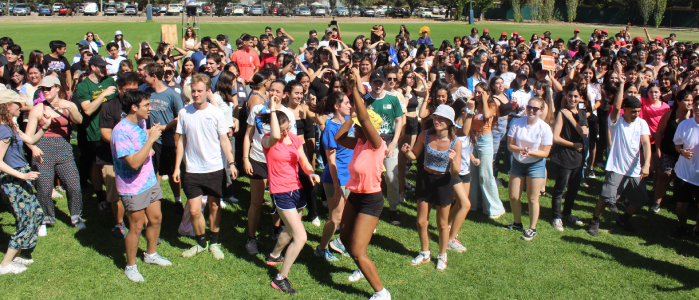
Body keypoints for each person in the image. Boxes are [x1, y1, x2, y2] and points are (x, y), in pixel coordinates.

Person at [336, 83, 391, 300]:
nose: (356, 129)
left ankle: (381, 293)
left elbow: (366, 120)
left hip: (371, 200)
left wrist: (357, 92)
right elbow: (339, 138)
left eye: (358, 126)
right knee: (345, 237)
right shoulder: (358, 142)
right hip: (355, 196)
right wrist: (351, 117)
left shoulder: (376, 144)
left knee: (358, 250)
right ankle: (362, 267)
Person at [173, 74, 237, 259]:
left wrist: (231, 163)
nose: (196, 94)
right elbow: (181, 142)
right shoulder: (184, 112)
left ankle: (214, 242)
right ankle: (201, 242)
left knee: (215, 206)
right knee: (194, 210)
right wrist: (177, 167)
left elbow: (224, 140)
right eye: (193, 91)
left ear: (207, 91)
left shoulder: (215, 112)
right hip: (192, 169)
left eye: (200, 91)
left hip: (214, 168)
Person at [261, 94, 320, 295]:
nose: (285, 133)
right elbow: (276, 136)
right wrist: (271, 108)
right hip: (281, 191)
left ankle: (274, 255)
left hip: (297, 190)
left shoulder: (293, 138)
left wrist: (311, 172)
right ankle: (280, 278)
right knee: (301, 237)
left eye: (287, 128)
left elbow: (303, 159)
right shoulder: (268, 141)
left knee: (289, 229)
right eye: (282, 129)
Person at [111, 90, 172, 282]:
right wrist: (152, 141)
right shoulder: (120, 132)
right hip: (132, 187)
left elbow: (142, 145)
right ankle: (130, 266)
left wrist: (149, 143)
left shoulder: (141, 122)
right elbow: (134, 163)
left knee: (156, 218)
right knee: (136, 226)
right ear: (134, 107)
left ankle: (151, 255)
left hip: (149, 181)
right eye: (146, 105)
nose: (150, 108)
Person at [588, 77, 651, 236]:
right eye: (633, 111)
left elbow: (646, 144)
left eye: (638, 111)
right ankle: (595, 220)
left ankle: (624, 218)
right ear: (625, 109)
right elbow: (616, 106)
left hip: (635, 169)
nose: (636, 114)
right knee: (605, 197)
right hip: (616, 167)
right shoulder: (615, 121)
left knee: (641, 199)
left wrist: (647, 164)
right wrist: (622, 84)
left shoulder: (642, 123)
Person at [402, 104, 462, 270]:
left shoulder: (455, 142)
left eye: (441, 119)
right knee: (421, 222)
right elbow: (414, 155)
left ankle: (442, 255)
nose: (437, 121)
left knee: (442, 224)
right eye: (436, 117)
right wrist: (407, 152)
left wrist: (452, 160)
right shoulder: (425, 134)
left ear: (449, 122)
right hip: (425, 179)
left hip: (443, 182)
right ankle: (425, 253)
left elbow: (456, 172)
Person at [0, 89, 52, 276]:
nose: (21, 106)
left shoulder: (10, 125)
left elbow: (30, 140)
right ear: (7, 107)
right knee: (27, 218)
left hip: (21, 174)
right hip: (13, 179)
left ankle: (17, 255)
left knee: (36, 214)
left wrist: (44, 127)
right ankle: (5, 264)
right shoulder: (3, 130)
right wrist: (22, 176)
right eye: (17, 104)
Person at [243, 77, 296, 255]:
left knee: (277, 202)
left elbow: (292, 142)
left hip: (278, 164)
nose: (273, 94)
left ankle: (276, 230)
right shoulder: (258, 110)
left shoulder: (288, 114)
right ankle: (251, 238)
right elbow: (248, 135)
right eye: (271, 90)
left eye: (278, 91)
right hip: (258, 159)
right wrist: (244, 158)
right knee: (256, 202)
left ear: (285, 94)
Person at [25, 75, 83, 235]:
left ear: (58, 88)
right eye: (43, 89)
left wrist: (70, 106)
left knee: (73, 184)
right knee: (43, 187)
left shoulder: (67, 105)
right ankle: (45, 218)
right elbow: (28, 135)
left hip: (64, 147)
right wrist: (33, 148)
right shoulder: (38, 108)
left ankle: (76, 217)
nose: (46, 91)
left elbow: (79, 121)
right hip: (43, 148)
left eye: (49, 88)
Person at [502, 97, 553, 241]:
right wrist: (521, 150)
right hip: (518, 162)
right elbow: (510, 145)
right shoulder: (517, 122)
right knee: (513, 196)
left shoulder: (545, 128)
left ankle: (532, 228)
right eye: (529, 107)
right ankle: (517, 223)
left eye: (535, 109)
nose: (531, 110)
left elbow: (545, 152)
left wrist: (530, 152)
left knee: (532, 198)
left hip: (535, 164)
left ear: (541, 111)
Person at [75, 55, 118, 213]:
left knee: (112, 164)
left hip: (113, 132)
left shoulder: (109, 81)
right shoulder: (83, 86)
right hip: (95, 133)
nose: (105, 69)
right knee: (97, 165)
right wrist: (103, 95)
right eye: (101, 66)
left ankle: (114, 194)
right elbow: (87, 110)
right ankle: (100, 196)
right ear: (93, 67)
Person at [99, 72, 140, 237]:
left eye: (135, 89)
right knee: (115, 194)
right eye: (128, 90)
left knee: (137, 191)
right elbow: (105, 133)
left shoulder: (139, 105)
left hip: (136, 157)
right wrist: (127, 146)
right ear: (119, 89)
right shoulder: (109, 106)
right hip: (111, 157)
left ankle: (137, 224)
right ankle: (119, 223)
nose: (132, 94)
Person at [313, 91, 352, 261]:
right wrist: (337, 186)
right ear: (337, 107)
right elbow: (331, 160)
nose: (350, 106)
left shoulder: (349, 125)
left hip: (349, 177)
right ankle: (321, 248)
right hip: (335, 179)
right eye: (346, 103)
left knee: (347, 216)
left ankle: (341, 243)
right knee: (335, 218)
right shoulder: (331, 128)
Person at [142, 63, 184, 210]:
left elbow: (180, 117)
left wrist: (164, 127)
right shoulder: (144, 91)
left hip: (167, 140)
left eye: (145, 75)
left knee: (172, 172)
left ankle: (178, 200)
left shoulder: (172, 95)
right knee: (153, 172)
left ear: (154, 77)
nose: (143, 77)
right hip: (150, 141)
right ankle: (153, 200)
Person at [364, 70, 404, 225]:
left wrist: (394, 142)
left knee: (391, 177)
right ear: (370, 83)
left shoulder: (393, 99)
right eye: (375, 82)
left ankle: (393, 209)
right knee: (373, 178)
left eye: (380, 83)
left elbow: (399, 120)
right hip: (372, 143)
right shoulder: (365, 100)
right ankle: (372, 209)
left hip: (389, 141)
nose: (378, 86)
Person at [549, 84, 588, 231]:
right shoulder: (561, 113)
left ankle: (567, 213)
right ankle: (556, 216)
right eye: (570, 95)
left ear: (580, 98)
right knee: (560, 188)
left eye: (576, 96)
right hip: (564, 155)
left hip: (578, 156)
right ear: (566, 96)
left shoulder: (582, 113)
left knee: (574, 188)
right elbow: (555, 137)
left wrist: (570, 117)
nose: (572, 98)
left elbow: (584, 134)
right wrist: (573, 145)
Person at [652, 90, 693, 213]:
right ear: (678, 101)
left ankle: (677, 201)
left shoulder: (693, 117)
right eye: (686, 100)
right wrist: (658, 149)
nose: (689, 103)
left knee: (680, 179)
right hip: (668, 151)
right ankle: (656, 202)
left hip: (686, 155)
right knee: (664, 176)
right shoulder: (670, 114)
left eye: (691, 100)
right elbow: (659, 132)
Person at [670, 97, 699, 237]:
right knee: (681, 205)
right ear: (693, 106)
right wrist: (682, 151)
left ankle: (697, 230)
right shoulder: (685, 125)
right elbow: (677, 144)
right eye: (697, 105)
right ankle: (682, 226)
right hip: (684, 173)